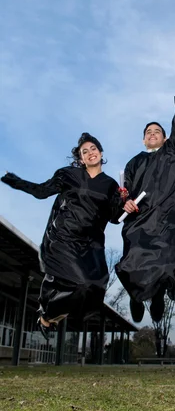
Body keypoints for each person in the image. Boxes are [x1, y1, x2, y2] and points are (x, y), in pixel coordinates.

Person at [1, 133, 133, 339]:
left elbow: (115, 218)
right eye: (85, 152)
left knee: (95, 286)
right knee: (79, 282)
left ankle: (55, 314)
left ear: (101, 152)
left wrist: (124, 202)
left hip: (91, 244)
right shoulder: (68, 175)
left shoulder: (110, 185)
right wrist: (14, 180)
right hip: (64, 238)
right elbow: (41, 191)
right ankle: (47, 312)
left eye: (93, 149)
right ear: (80, 159)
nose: (90, 153)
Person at [115, 59, 175, 323]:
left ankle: (158, 295)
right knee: (131, 264)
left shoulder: (173, 153)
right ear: (143, 138)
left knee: (164, 265)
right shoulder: (134, 162)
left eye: (157, 131)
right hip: (139, 221)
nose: (152, 133)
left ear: (164, 137)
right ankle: (136, 296)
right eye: (148, 131)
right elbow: (123, 194)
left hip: (167, 221)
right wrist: (124, 204)